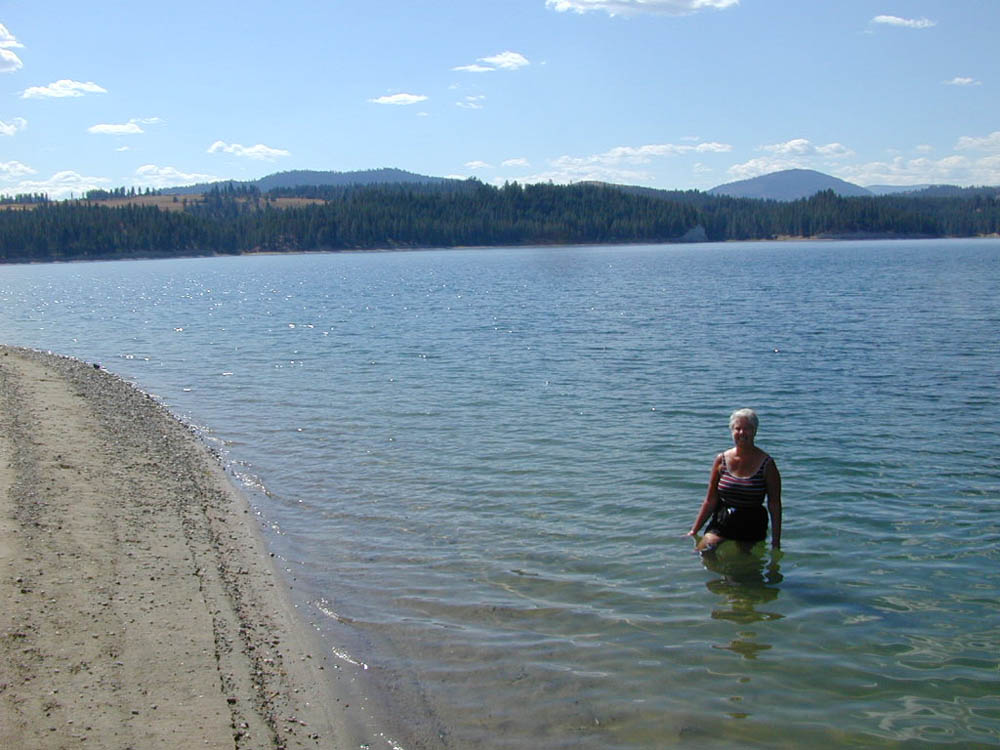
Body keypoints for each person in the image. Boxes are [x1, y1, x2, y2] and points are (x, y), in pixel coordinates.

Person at [687, 408, 781, 552]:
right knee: (704, 551)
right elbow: (710, 500)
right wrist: (694, 531)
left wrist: (776, 542)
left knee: (743, 564)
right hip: (724, 517)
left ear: (755, 431)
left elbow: (774, 504)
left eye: (747, 428)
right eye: (738, 428)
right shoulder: (721, 460)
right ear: (732, 431)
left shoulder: (767, 464)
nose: (742, 433)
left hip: (752, 520)